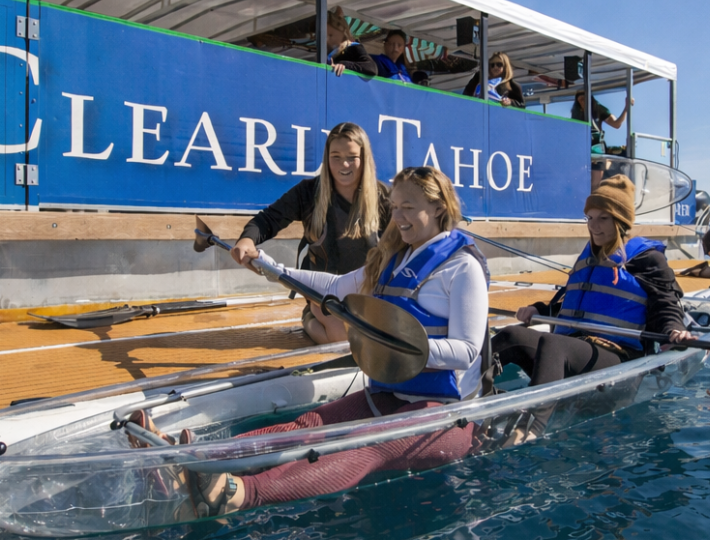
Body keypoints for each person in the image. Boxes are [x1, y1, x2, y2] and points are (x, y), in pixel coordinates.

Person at [165, 167, 491, 516]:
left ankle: (239, 494)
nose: (397, 217)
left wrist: (395, 345)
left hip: (448, 416)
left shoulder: (462, 267)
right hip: (391, 395)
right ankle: (193, 462)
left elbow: (467, 352)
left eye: (408, 207)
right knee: (308, 425)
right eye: (394, 207)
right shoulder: (393, 257)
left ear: (439, 207)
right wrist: (270, 267)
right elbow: (334, 288)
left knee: (365, 446)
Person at [491, 175, 695, 410]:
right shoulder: (589, 258)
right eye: (590, 218)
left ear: (620, 221)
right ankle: (460, 401)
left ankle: (527, 428)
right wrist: (539, 309)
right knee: (511, 336)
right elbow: (574, 307)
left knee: (554, 344)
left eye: (603, 218)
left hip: (617, 361)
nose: (593, 225)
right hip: (570, 352)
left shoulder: (648, 259)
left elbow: (666, 306)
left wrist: (675, 330)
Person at [230, 122, 389, 343]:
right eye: (336, 156)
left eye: (352, 157)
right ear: (326, 158)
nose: (344, 164)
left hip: (369, 299)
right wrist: (247, 240)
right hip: (324, 297)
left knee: (373, 342)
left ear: (365, 158)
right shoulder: (308, 192)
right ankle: (311, 319)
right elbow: (269, 218)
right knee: (345, 342)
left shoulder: (385, 197)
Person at [325, 6, 379, 77]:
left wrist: (344, 65)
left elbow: (372, 68)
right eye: (326, 36)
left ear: (342, 30)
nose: (327, 40)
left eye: (331, 35)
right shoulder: (327, 53)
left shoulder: (354, 47)